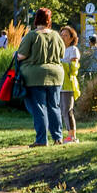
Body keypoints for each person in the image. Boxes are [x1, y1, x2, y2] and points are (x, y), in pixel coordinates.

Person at [15, 8, 65, 147]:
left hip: (34, 76)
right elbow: (62, 54)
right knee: (54, 106)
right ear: (49, 20)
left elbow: (21, 55)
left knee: (39, 107)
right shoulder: (56, 35)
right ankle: (58, 137)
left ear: (36, 19)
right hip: (56, 75)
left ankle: (42, 140)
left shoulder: (32, 35)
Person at [58, 25, 81, 144]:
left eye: (66, 35)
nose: (63, 37)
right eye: (61, 35)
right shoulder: (59, 49)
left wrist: (61, 65)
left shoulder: (73, 50)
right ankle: (68, 134)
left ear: (72, 38)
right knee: (63, 110)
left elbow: (74, 68)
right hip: (59, 84)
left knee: (68, 110)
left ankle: (72, 136)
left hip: (69, 84)